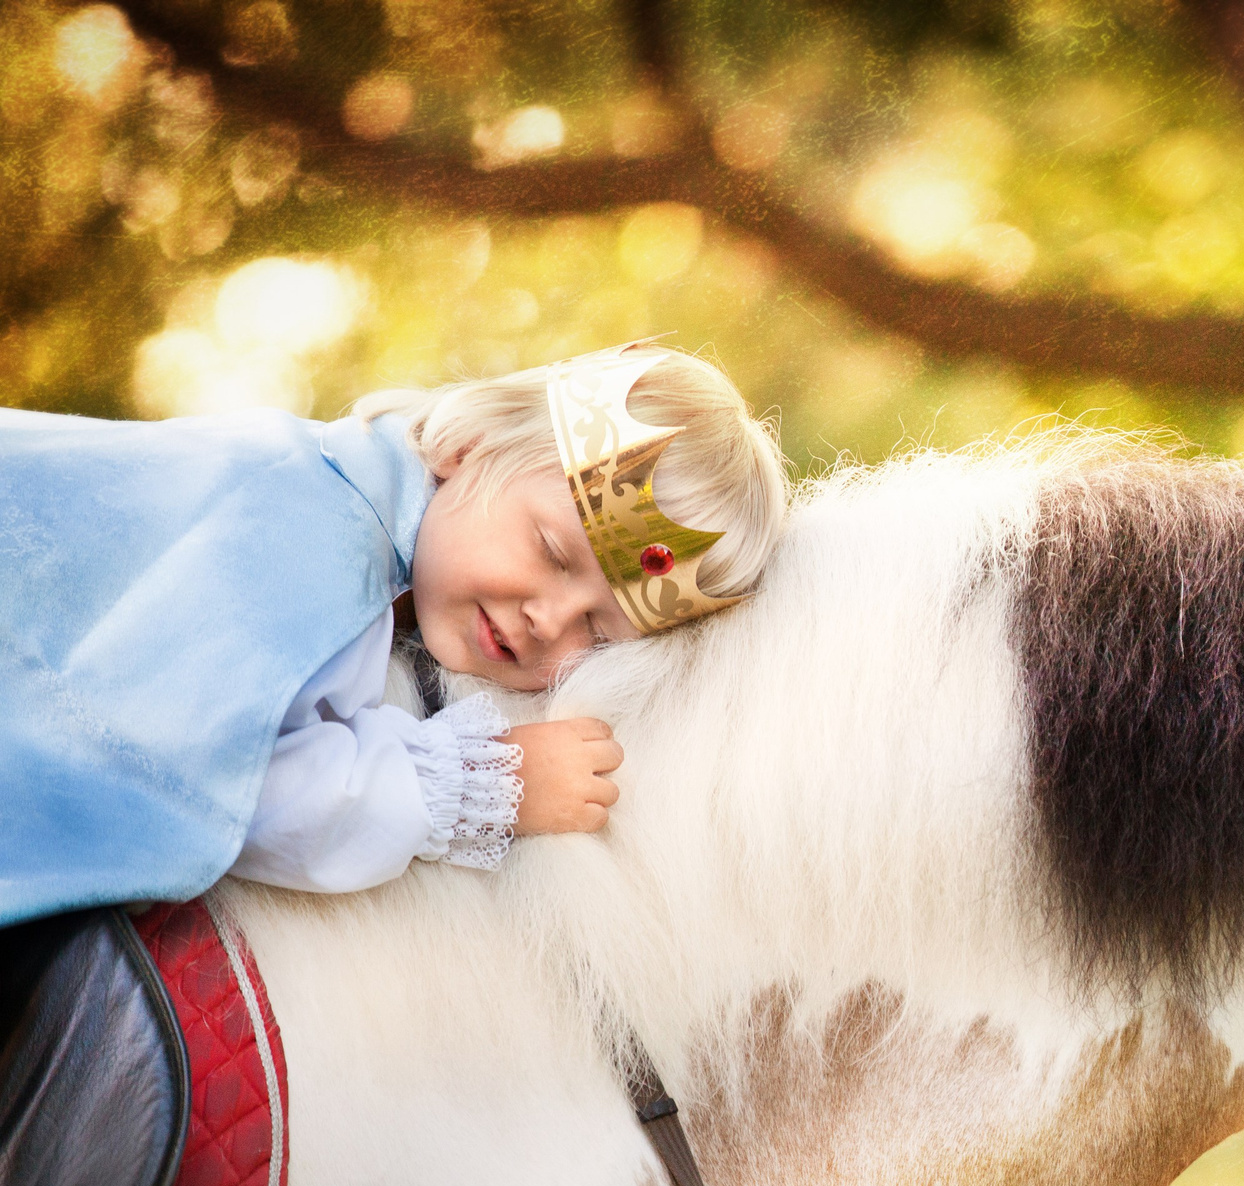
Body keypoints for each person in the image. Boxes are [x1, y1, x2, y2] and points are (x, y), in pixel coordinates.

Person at [0, 342, 789, 926]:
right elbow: (218, 783)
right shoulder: (309, 523)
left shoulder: (379, 547)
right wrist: (491, 782)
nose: (550, 619)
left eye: (599, 629)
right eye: (551, 550)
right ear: (468, 446)